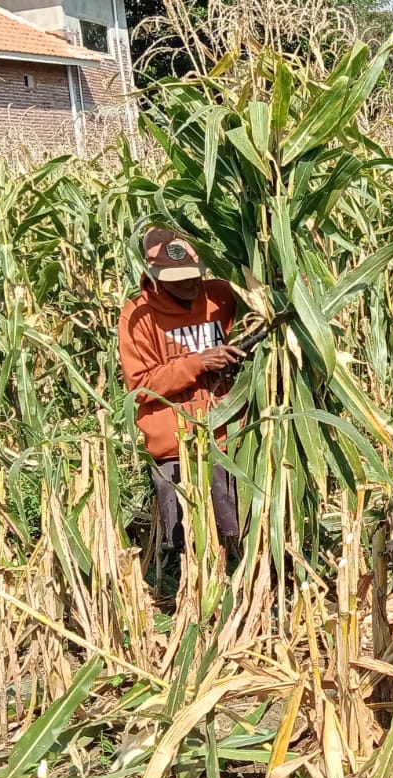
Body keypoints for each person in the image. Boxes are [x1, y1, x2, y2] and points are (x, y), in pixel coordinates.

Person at [118, 226, 246, 567]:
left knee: (240, 532)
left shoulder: (222, 295)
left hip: (227, 436)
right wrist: (199, 362)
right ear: (153, 274)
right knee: (190, 546)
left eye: (194, 275)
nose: (190, 284)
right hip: (176, 445)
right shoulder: (138, 315)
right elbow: (141, 385)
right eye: (177, 279)